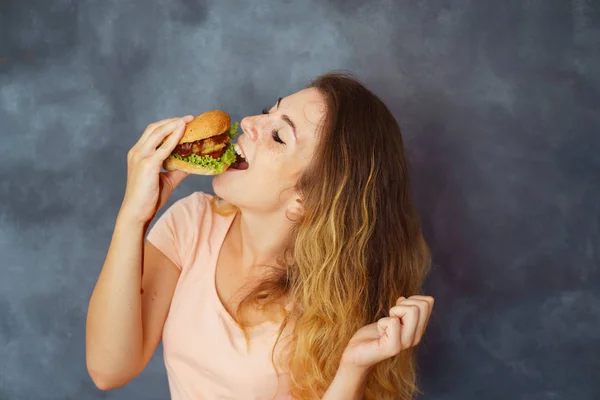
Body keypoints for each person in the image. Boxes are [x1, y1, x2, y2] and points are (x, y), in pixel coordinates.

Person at [85, 72, 434, 400]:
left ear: (305, 200)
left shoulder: (335, 301)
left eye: (279, 136)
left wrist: (352, 369)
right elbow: (109, 370)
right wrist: (134, 216)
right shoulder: (192, 222)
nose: (249, 122)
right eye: (268, 112)